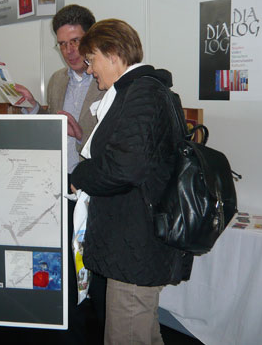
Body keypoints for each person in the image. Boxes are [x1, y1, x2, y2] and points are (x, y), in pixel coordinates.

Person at [69, 19, 193, 345]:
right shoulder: (138, 91)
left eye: (91, 59)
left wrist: (79, 176)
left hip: (135, 245)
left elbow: (124, 168)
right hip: (135, 243)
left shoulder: (142, 94)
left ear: (112, 54)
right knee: (143, 333)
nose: (89, 69)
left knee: (126, 334)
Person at [13, 5, 106, 344]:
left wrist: (81, 136)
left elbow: (113, 142)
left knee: (95, 270)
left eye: (75, 41)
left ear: (91, 39)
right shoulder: (57, 80)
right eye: (62, 43)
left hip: (93, 191)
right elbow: (55, 122)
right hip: (60, 185)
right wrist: (33, 108)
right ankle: (69, 329)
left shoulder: (107, 81)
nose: (69, 50)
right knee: (65, 267)